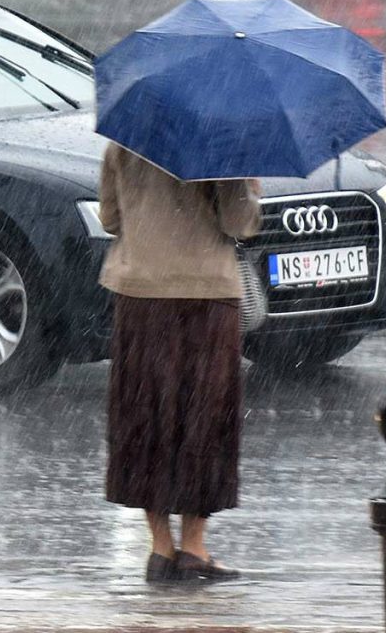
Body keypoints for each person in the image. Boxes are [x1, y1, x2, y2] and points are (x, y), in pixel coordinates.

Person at [97, 139, 260, 584]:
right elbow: (238, 222)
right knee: (203, 417)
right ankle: (194, 547)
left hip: (140, 295)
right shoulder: (221, 145)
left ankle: (160, 547)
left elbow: (110, 218)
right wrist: (249, 190)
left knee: (146, 416)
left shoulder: (125, 141)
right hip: (205, 296)